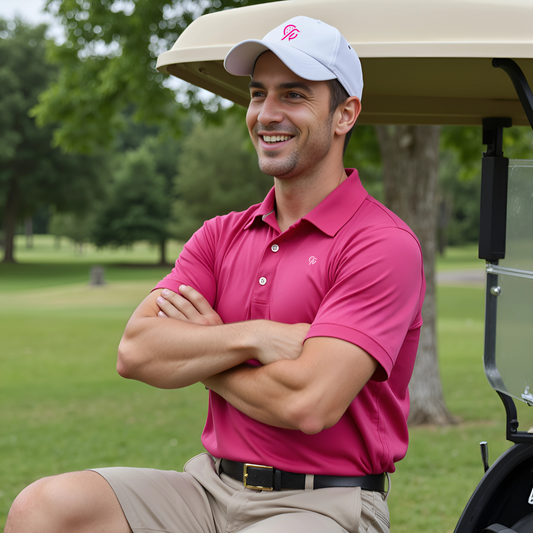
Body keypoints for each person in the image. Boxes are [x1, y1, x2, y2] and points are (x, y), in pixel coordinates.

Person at [6, 15, 425, 533]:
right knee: (44, 508)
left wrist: (204, 348)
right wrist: (255, 336)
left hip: (324, 504)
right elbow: (136, 350)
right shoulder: (221, 234)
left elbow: (309, 403)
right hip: (207, 489)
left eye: (293, 95)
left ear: (345, 114)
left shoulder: (380, 244)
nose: (267, 114)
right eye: (257, 94)